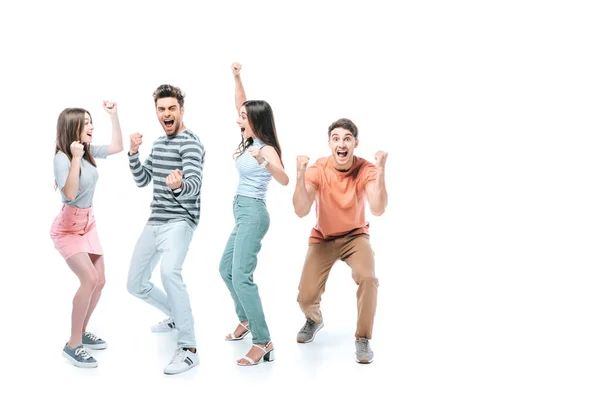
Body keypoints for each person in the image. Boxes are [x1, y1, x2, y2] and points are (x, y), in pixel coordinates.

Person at [292, 118, 388, 364]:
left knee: (368, 278)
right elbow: (301, 210)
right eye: (336, 138)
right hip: (323, 238)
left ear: (355, 143)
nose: (341, 143)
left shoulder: (365, 168)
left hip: (355, 237)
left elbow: (377, 209)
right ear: (329, 143)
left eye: (347, 138)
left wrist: (381, 171)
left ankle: (363, 339)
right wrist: (300, 175)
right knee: (305, 296)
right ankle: (314, 319)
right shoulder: (318, 169)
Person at [126, 84, 206, 375]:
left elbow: (194, 185)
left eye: (172, 108)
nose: (167, 113)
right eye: (162, 109)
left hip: (180, 221)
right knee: (135, 284)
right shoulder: (159, 143)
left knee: (170, 272)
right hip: (155, 220)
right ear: (157, 113)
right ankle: (175, 314)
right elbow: (143, 179)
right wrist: (133, 154)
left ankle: (188, 348)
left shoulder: (191, 143)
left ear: (182, 110)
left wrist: (179, 185)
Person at [219, 62, 289, 366]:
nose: (238, 119)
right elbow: (240, 103)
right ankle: (245, 319)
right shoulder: (249, 139)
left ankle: (263, 340)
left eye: (244, 118)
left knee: (242, 277)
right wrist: (237, 77)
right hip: (240, 211)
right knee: (226, 270)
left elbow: (285, 179)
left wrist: (265, 163)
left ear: (255, 122)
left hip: (254, 213)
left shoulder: (266, 148)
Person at [50, 102, 124, 368]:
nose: (92, 126)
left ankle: (81, 332)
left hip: (88, 224)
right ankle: (73, 345)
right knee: (89, 278)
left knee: (100, 280)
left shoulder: (87, 149)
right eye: (86, 122)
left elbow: (117, 147)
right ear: (73, 127)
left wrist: (114, 116)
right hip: (68, 228)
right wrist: (76, 158)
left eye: (92, 121)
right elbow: (69, 194)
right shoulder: (63, 157)